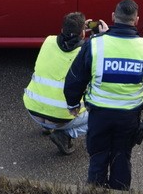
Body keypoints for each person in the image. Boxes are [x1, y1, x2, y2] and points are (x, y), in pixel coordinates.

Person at [64, 0, 143, 189]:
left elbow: (76, 78)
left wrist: (73, 104)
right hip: (129, 116)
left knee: (98, 156)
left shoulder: (96, 45)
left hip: (100, 114)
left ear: (114, 17)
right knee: (122, 156)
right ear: (136, 20)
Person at [23, 12, 104, 154]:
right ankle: (66, 135)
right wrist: (99, 36)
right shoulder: (87, 52)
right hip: (62, 117)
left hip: (34, 110)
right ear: (83, 34)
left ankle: (47, 127)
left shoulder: (48, 41)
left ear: (62, 30)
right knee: (104, 116)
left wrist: (77, 29)